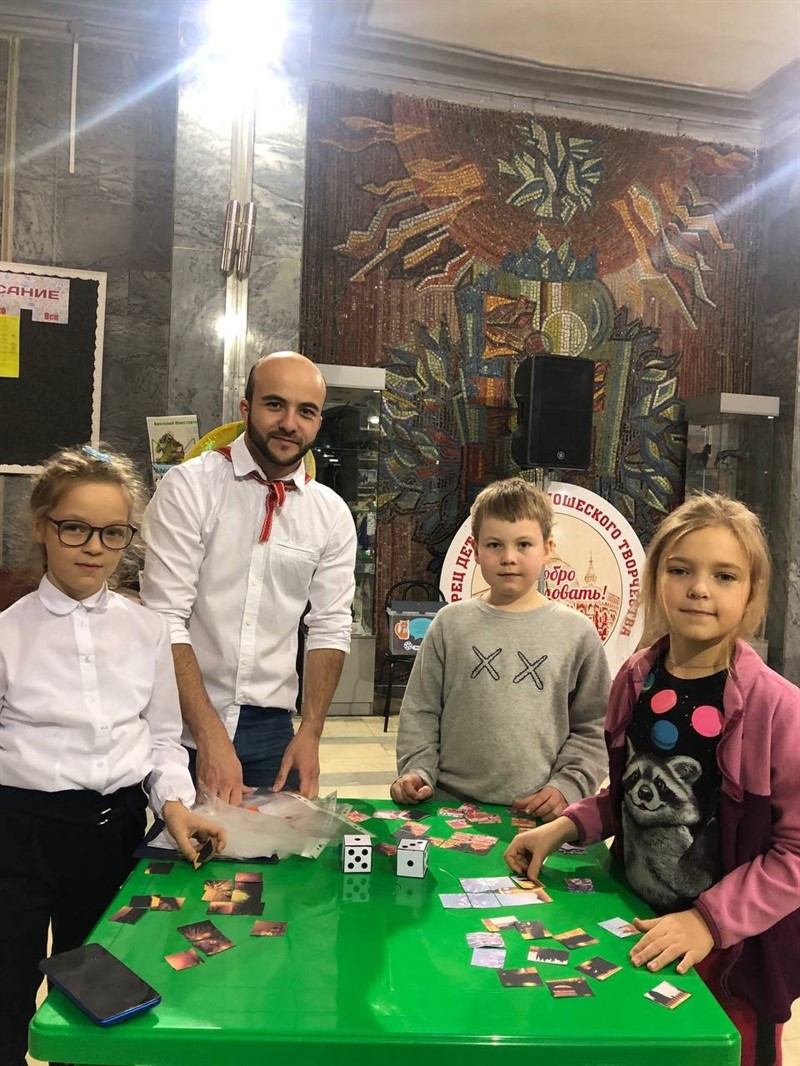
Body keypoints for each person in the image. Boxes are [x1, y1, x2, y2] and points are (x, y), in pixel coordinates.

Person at [504, 494, 800, 1066]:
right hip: (634, 926)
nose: (699, 589)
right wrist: (566, 827)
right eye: (681, 569)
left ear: (752, 591)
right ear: (656, 578)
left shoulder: (778, 709)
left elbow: (794, 852)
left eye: (724, 575)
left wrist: (709, 922)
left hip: (733, 957)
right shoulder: (636, 678)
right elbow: (627, 795)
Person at [0, 444, 226, 1066]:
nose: (94, 547)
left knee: (98, 997)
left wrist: (175, 806)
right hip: (18, 834)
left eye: (113, 532)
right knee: (8, 992)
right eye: (75, 527)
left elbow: (160, 737)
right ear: (42, 526)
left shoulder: (147, 629)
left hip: (113, 830)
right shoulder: (8, 633)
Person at [140, 351, 357, 804]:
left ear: (318, 422)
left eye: (306, 411)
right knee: (186, 847)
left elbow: (330, 627)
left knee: (276, 848)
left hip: (272, 728)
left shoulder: (331, 515)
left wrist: (311, 732)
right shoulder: (189, 487)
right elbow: (164, 618)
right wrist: (209, 733)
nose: (289, 423)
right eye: (275, 404)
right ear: (246, 408)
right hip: (183, 720)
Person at [391, 477, 610, 814]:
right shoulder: (449, 624)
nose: (509, 557)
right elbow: (421, 710)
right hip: (447, 805)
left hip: (539, 811)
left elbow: (594, 726)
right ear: (476, 550)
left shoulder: (577, 633)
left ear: (547, 549)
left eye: (524, 544)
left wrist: (568, 785)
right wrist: (417, 770)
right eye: (495, 545)